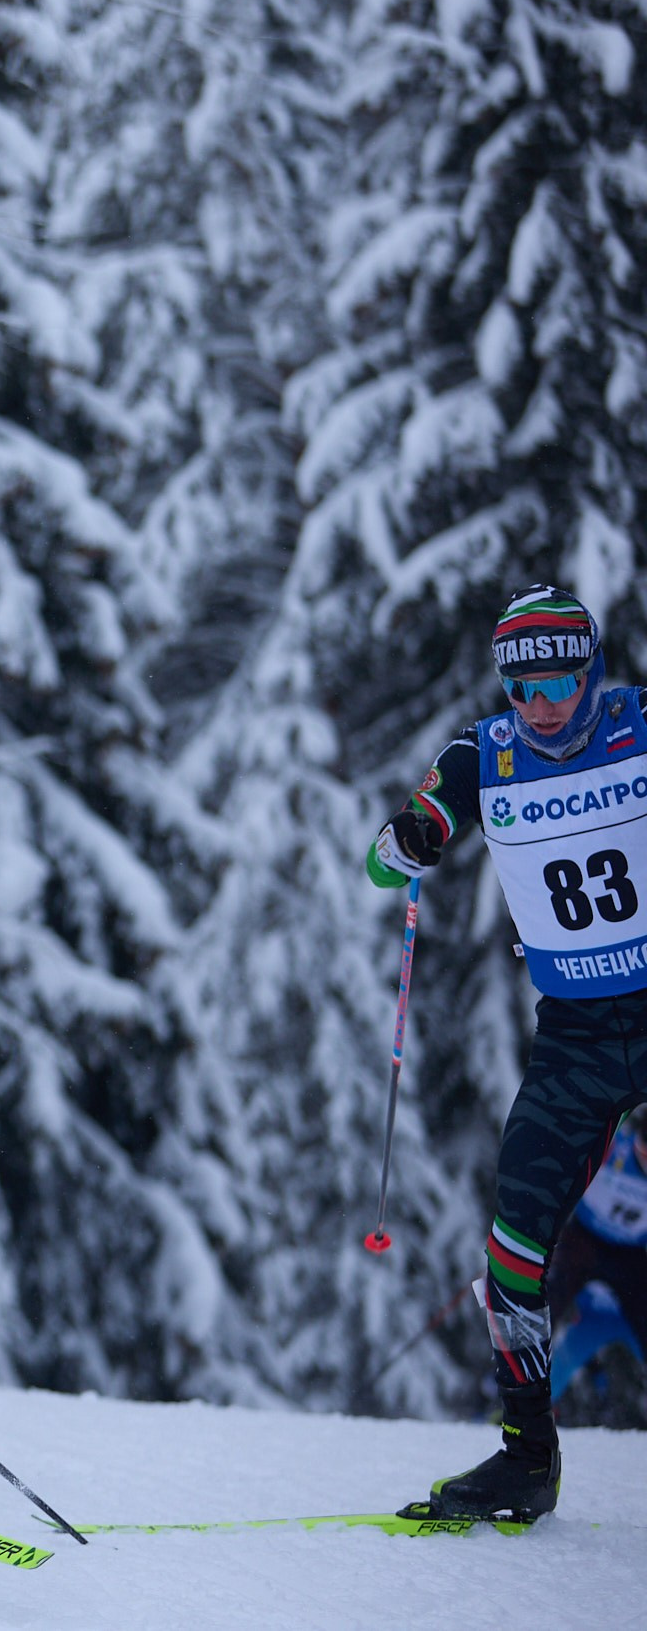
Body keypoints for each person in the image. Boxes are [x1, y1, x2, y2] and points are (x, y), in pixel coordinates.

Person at [367, 585, 647, 1521]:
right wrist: (409, 837)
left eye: (560, 681)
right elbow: (383, 859)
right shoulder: (482, 755)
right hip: (575, 1037)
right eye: (524, 688)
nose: (543, 706)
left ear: (591, 670)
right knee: (513, 1247)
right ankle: (528, 1458)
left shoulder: (639, 724)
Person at [546, 1113, 647, 1396]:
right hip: (584, 1238)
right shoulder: (614, 1149)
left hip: (629, 1253)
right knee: (547, 1299)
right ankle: (509, 1380)